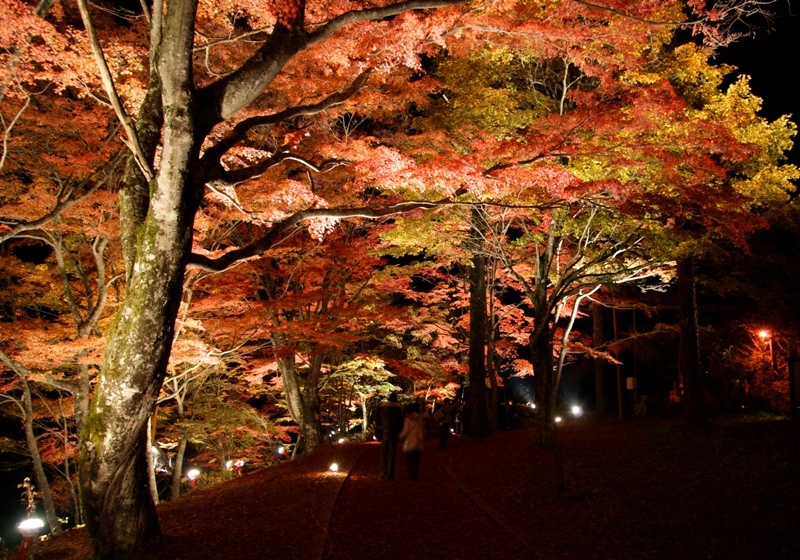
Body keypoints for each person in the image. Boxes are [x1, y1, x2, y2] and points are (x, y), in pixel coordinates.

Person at [376, 393, 404, 479]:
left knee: (384, 453)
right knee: (392, 453)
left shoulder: (382, 408)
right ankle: (390, 473)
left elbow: (378, 420)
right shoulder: (399, 409)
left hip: (385, 432)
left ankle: (384, 472)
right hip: (395, 433)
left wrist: (380, 428)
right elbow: (401, 422)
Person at [399, 402, 425, 480]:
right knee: (416, 458)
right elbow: (421, 429)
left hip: (410, 439)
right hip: (418, 439)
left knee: (409, 458)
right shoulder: (420, 418)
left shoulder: (408, 419)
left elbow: (406, 430)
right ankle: (416, 473)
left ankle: (411, 474)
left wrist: (400, 437)